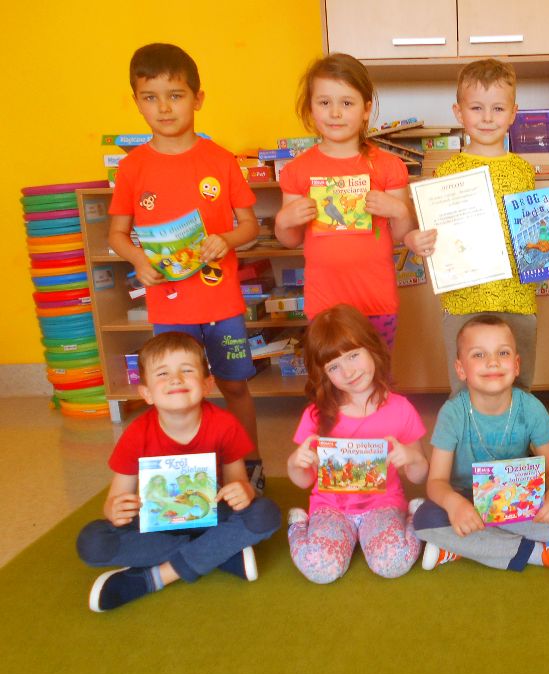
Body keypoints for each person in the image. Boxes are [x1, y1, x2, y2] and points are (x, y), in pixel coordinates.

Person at [107, 43, 265, 490]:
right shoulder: (132, 167)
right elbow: (117, 235)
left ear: (198, 99)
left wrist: (226, 239)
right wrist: (139, 260)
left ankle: (251, 466)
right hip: (169, 308)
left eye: (175, 95)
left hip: (221, 303)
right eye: (150, 97)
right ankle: (187, 476)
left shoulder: (220, 159)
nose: (164, 107)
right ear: (136, 101)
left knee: (234, 386)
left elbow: (250, 225)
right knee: (175, 396)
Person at [403, 58, 549, 394]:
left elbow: (536, 226)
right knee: (465, 389)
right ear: (458, 113)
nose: (487, 118)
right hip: (463, 302)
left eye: (497, 108)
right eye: (476, 108)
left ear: (513, 113)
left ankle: (517, 434)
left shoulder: (523, 170)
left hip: (517, 300)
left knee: (518, 387)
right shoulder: (445, 173)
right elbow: (431, 235)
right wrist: (415, 239)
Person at [76, 333, 281, 611]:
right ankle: (218, 554)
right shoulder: (136, 434)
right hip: (155, 523)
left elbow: (238, 483)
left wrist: (243, 492)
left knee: (265, 514)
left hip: (211, 515)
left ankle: (154, 577)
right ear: (146, 393)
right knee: (92, 542)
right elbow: (114, 500)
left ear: (207, 384)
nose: (175, 379)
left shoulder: (225, 425)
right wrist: (115, 509)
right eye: (163, 374)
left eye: (187, 370)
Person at [412, 315, 549, 574]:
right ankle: (540, 553)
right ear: (460, 369)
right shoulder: (452, 413)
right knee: (425, 519)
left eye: (503, 353)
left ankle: (461, 545)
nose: (493, 362)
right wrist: (454, 505)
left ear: (516, 365)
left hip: (517, 500)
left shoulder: (531, 408)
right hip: (467, 500)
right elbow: (436, 482)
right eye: (478, 355)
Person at [274, 53, 417, 348]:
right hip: (323, 305)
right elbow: (290, 239)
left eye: (347, 103)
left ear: (366, 110)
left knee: (377, 372)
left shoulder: (388, 166)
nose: (335, 113)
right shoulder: (297, 170)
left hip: (376, 301)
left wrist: (399, 211)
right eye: (324, 102)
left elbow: (402, 235)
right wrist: (284, 221)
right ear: (310, 108)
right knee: (330, 373)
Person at [286, 304, 428, 583]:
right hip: (330, 508)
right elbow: (303, 480)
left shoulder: (401, 409)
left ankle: (413, 515)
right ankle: (298, 525)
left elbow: (419, 474)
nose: (348, 371)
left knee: (394, 562)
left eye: (353, 355)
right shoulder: (315, 414)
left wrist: (411, 457)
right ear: (323, 373)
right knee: (320, 569)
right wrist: (295, 462)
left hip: (384, 505)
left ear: (372, 348)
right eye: (334, 366)